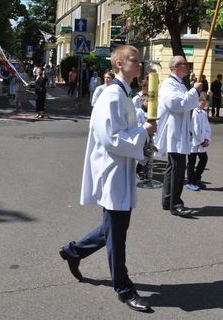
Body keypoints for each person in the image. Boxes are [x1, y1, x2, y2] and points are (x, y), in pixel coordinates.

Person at [59, 45, 156, 312]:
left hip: (121, 169)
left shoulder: (125, 94)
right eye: (134, 60)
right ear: (118, 64)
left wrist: (144, 133)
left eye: (139, 60)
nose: (139, 64)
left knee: (112, 228)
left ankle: (74, 251)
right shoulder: (111, 96)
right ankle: (124, 289)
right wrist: (143, 132)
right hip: (112, 171)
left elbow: (126, 132)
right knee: (117, 235)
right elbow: (112, 138)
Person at [155, 55, 202, 217]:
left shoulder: (179, 84)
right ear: (175, 67)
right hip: (173, 132)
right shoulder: (169, 84)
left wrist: (192, 91)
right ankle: (176, 203)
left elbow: (185, 103)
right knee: (178, 168)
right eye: (184, 64)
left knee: (173, 167)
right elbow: (177, 104)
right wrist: (195, 90)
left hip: (179, 131)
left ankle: (168, 200)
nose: (188, 66)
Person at [186, 92, 211, 191]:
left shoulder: (203, 113)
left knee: (204, 159)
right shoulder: (193, 112)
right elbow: (193, 128)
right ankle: (190, 181)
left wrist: (207, 138)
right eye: (202, 103)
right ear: (198, 101)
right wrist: (200, 141)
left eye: (205, 104)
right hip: (193, 142)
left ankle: (196, 178)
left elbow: (207, 127)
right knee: (191, 162)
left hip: (201, 142)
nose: (203, 105)